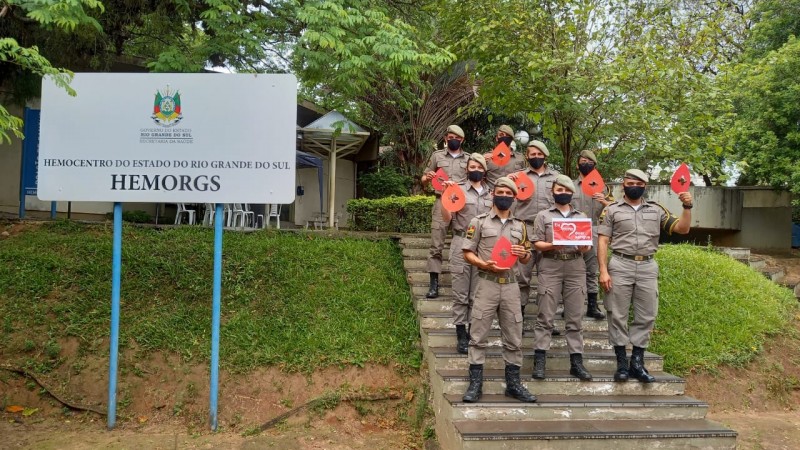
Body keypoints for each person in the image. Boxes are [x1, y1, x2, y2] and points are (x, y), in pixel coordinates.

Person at [597, 169, 693, 383]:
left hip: (648, 266)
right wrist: (603, 270)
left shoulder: (656, 209)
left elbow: (682, 228)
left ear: (645, 187)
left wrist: (687, 207)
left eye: (639, 184)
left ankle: (637, 363)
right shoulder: (611, 210)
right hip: (620, 264)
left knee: (647, 314)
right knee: (617, 314)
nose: (634, 187)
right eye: (630, 183)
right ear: (623, 185)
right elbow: (603, 240)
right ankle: (622, 363)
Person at [461, 177, 537, 403]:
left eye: (508, 194)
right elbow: (467, 252)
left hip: (511, 285)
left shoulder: (520, 226)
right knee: (478, 334)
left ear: (514, 198)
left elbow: (526, 257)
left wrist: (524, 254)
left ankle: (513, 384)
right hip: (487, 283)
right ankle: (475, 384)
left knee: (513, 336)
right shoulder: (478, 222)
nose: (504, 196)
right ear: (493, 194)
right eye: (500, 192)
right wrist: (483, 264)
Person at [531, 175, 593, 380]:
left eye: (567, 190)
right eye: (559, 190)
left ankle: (576, 362)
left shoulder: (581, 216)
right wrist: (552, 245)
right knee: (545, 315)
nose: (563, 193)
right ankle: (540, 360)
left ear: (572, 193)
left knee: (575, 316)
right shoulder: (543, 215)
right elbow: (536, 243)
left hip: (575, 266)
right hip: (551, 264)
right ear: (553, 192)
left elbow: (587, 246)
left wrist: (584, 246)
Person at [441, 153, 493, 354]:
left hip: (483, 246)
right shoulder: (457, 190)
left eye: (479, 167)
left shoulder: (492, 193)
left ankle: (473, 331)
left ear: (485, 170)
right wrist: (445, 197)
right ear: (466, 169)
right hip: (461, 241)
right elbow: (447, 218)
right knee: (460, 292)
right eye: (472, 167)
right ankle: (461, 333)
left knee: (477, 293)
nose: (476, 170)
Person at [508, 140, 560, 316]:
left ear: (545, 156)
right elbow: (505, 199)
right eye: (533, 154)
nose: (536, 157)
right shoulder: (518, 177)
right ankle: (519, 314)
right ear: (527, 156)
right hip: (525, 229)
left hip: (549, 232)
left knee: (549, 278)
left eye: (539, 154)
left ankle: (546, 318)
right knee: (522, 275)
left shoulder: (557, 178)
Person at [421, 125, 469, 299]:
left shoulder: (469, 159)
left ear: (462, 140)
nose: (453, 140)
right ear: (446, 138)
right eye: (450, 137)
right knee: (436, 243)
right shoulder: (437, 156)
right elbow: (424, 178)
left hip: (461, 204)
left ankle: (462, 281)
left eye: (457, 138)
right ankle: (434, 283)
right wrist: (427, 178)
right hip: (441, 202)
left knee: (463, 242)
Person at [571, 150, 613, 320]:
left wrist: (605, 201)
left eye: (589, 161)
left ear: (595, 165)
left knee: (592, 270)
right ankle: (570, 306)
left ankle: (592, 306)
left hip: (595, 229)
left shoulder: (604, 187)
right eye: (583, 161)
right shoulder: (570, 185)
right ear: (577, 165)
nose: (586, 163)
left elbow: (615, 210)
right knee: (571, 269)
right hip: (572, 230)